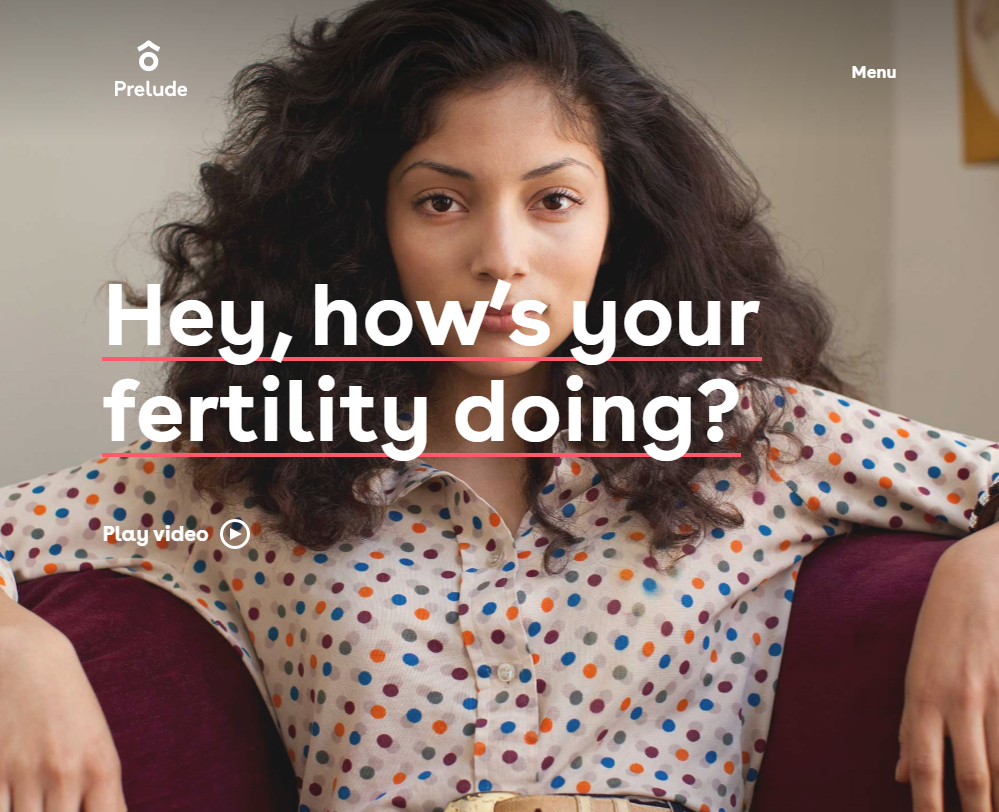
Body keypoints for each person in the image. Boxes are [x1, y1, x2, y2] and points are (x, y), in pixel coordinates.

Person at [1, 1, 998, 811]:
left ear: (621, 221)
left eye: (553, 199)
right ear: (364, 224)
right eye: (441, 199)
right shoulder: (248, 470)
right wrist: (16, 648)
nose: (501, 258)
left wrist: (979, 571)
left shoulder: (752, 437)